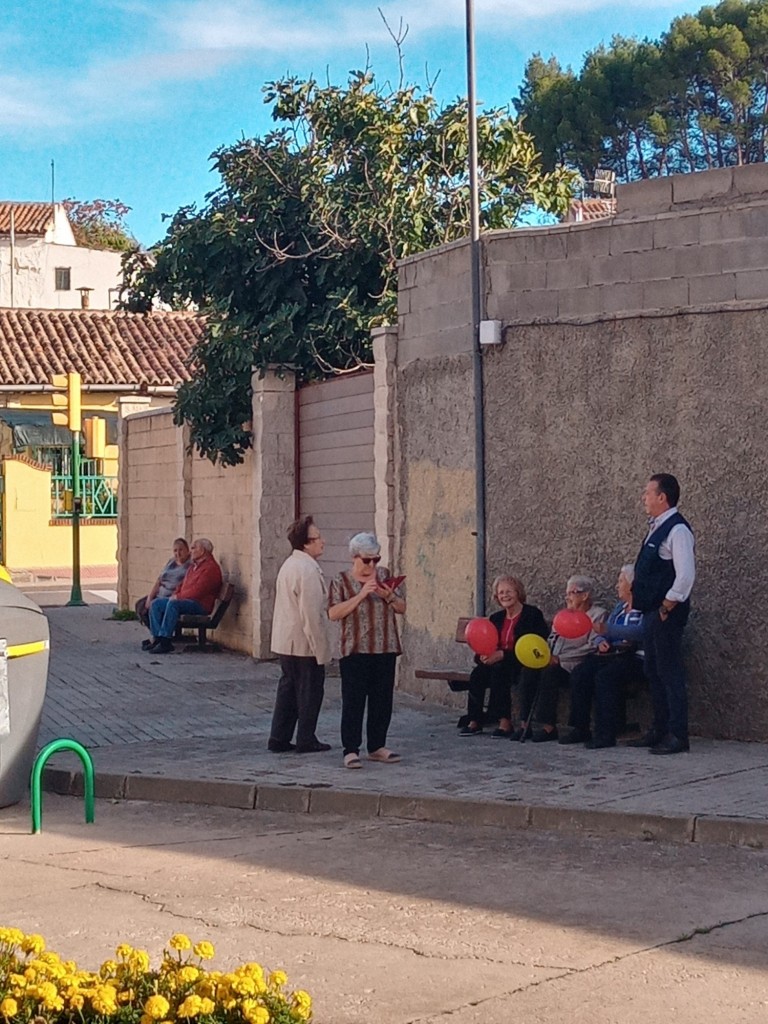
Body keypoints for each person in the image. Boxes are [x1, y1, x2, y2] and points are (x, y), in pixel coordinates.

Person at [627, 473, 695, 755]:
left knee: (669, 673)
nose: (644, 498)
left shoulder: (677, 530)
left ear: (662, 497)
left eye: (647, 493)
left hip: (666, 613)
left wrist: (668, 605)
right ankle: (659, 728)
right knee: (652, 670)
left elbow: (686, 575)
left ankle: (678, 734)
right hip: (651, 612)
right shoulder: (657, 527)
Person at [328, 532, 406, 769]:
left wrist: (389, 595)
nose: (372, 565)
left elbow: (402, 608)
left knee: (382, 700)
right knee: (354, 701)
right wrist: (362, 595)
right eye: (366, 560)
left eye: (376, 559)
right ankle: (351, 750)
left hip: (385, 647)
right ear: (354, 557)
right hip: (355, 650)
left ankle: (377, 746)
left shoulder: (384, 576)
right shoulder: (340, 581)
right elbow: (333, 613)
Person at [560, 564, 645, 749]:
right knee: (581, 673)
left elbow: (643, 632)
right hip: (613, 654)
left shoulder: (645, 607)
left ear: (633, 584)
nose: (617, 585)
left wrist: (609, 630)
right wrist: (600, 641)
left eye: (621, 581)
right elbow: (602, 633)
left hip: (636, 657)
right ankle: (580, 727)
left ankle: (605, 733)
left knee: (605, 677)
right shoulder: (620, 608)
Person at [268, 516, 332, 754]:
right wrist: (321, 650)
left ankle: (279, 737)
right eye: (317, 538)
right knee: (309, 691)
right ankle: (306, 738)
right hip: (303, 643)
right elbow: (312, 614)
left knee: (288, 690)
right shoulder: (307, 570)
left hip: (286, 640)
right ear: (306, 543)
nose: (322, 542)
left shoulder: (290, 564)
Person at [458, 575, 548, 738]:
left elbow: (536, 647)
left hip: (521, 662)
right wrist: (483, 657)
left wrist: (503, 655)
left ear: (518, 592)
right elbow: (485, 643)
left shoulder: (532, 614)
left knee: (499, 671)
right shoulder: (496, 618)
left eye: (509, 591)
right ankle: (474, 721)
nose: (505, 595)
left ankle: (505, 722)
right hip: (498, 661)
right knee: (478, 674)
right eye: (501, 593)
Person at [525, 576, 607, 742]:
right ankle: (523, 724)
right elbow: (552, 639)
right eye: (567, 593)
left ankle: (550, 727)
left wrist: (560, 659)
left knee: (551, 673)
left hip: (576, 663)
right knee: (529, 671)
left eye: (572, 593)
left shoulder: (598, 615)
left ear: (585, 595)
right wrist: (545, 655)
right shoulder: (563, 616)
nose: (568, 597)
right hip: (554, 660)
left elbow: (591, 646)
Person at [146, 538, 223, 654]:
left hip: (200, 604)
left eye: (193, 548)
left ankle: (166, 641)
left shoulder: (210, 568)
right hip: (187, 600)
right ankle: (158, 638)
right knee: (156, 604)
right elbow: (182, 585)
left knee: (174, 604)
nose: (191, 551)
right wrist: (175, 594)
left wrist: (178, 597)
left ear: (202, 551)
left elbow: (198, 591)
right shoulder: (193, 567)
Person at [136, 538, 191, 650]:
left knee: (156, 606)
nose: (178, 553)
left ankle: (160, 637)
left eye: (181, 550)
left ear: (187, 550)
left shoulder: (190, 566)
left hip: (172, 596)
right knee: (141, 606)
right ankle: (156, 635)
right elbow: (159, 581)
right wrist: (150, 597)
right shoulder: (171, 562)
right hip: (160, 594)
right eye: (175, 550)